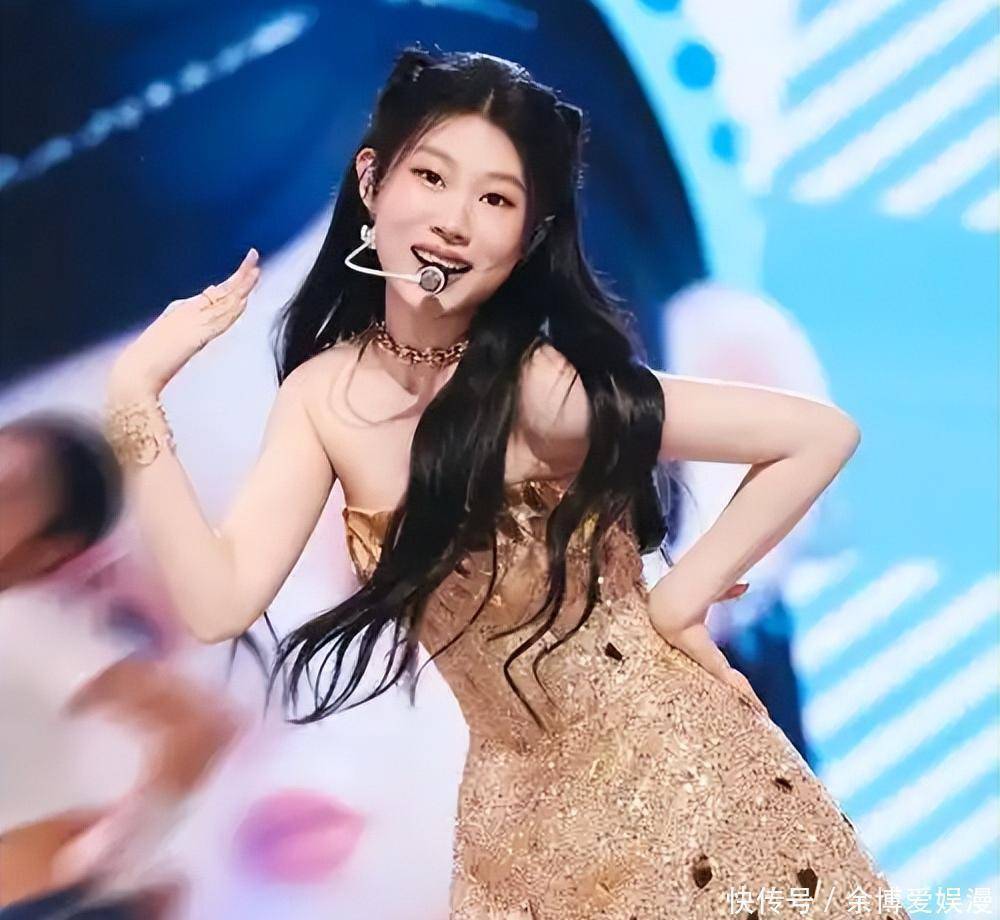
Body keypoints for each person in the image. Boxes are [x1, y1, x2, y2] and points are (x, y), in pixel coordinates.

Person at [103, 47, 910, 919]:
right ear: (372, 183)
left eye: (494, 200)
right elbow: (220, 602)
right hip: (510, 813)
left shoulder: (540, 388)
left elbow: (815, 435)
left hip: (672, 786)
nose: (453, 221)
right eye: (431, 178)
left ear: (526, 239)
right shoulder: (322, 398)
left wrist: (682, 599)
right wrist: (134, 398)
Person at [0, 413, 239, 918]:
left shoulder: (22, 622)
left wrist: (119, 845)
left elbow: (199, 726)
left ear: (46, 549)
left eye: (6, 493)